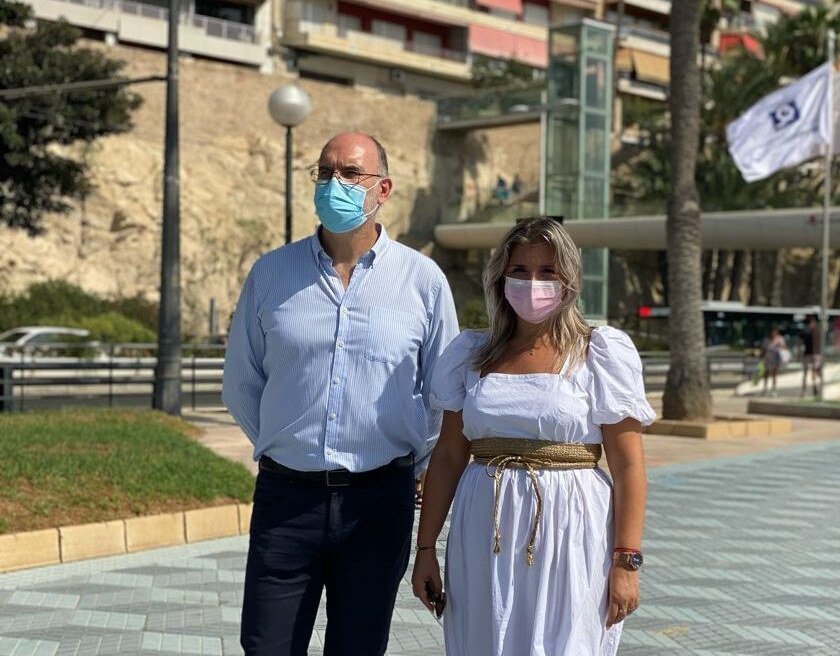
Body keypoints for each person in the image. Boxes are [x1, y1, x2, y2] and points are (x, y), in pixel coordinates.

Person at [222, 132, 459, 655]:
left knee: (358, 646)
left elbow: (443, 393)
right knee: (266, 647)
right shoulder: (271, 274)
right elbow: (241, 382)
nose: (335, 184)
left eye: (351, 174)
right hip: (287, 500)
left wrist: (410, 457)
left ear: (383, 189)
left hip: (379, 504)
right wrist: (288, 444)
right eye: (325, 173)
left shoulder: (424, 281)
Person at [411, 217, 654, 656]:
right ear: (501, 277)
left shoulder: (598, 352)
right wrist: (425, 548)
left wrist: (626, 561)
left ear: (569, 280)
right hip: (482, 529)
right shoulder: (470, 353)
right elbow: (448, 455)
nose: (532, 283)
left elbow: (629, 465)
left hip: (572, 531)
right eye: (520, 271)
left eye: (547, 272)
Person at [760, 326, 787, 396]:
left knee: (774, 374)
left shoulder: (780, 339)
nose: (773, 333)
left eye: (775, 332)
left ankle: (774, 389)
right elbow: (763, 350)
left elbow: (785, 347)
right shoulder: (766, 340)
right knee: (766, 374)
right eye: (772, 332)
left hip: (776, 359)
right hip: (768, 359)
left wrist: (780, 346)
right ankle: (765, 389)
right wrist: (762, 358)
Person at [801, 316, 823, 398]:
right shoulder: (806, 332)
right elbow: (800, 342)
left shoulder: (816, 331)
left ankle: (814, 387)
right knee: (808, 372)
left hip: (815, 354)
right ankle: (807, 389)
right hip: (810, 354)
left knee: (814, 371)